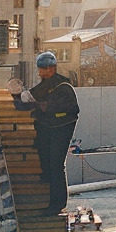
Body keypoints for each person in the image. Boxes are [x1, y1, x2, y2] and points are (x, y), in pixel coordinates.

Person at [28, 51, 80, 212]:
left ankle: (58, 204)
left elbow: (71, 110)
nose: (40, 72)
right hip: (49, 128)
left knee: (56, 165)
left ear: (51, 68)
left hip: (61, 129)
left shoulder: (63, 87)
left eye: (42, 69)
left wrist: (45, 107)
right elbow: (34, 93)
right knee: (48, 164)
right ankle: (52, 201)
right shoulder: (45, 84)